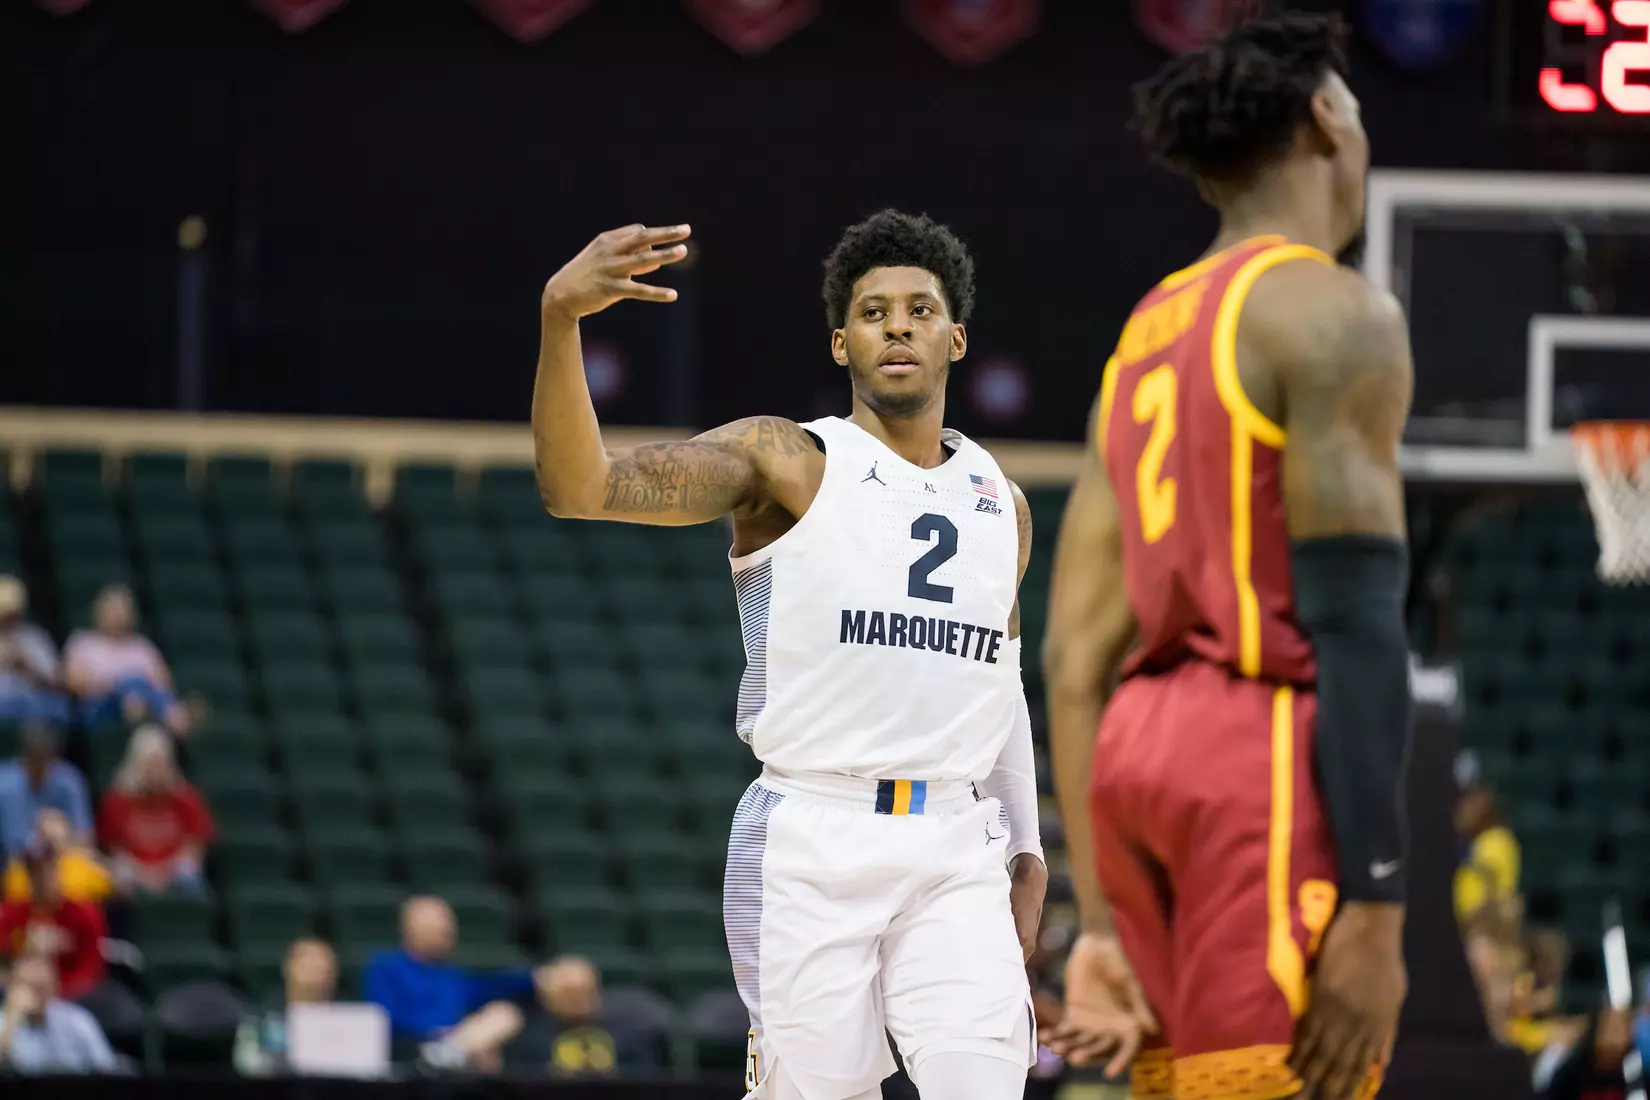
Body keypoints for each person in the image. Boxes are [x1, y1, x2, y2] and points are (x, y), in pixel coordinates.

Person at [531, 209, 1044, 1100]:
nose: (897, 326)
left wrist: (1028, 851)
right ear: (841, 343)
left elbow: (999, 691)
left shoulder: (1001, 501)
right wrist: (559, 318)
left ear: (955, 339)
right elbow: (582, 489)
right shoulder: (787, 459)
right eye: (873, 311)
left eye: (919, 310)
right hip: (813, 834)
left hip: (957, 845)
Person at [1040, 14, 1410, 1100]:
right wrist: (1379, 904)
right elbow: (1354, 616)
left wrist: (1100, 919)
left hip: (1135, 759)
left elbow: (1071, 656)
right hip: (1257, 756)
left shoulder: (1143, 333)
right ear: (1327, 115)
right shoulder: (1333, 312)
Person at [363, 896, 535, 1073]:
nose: (447, 929)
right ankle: (447, 1055)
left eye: (448, 924)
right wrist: (438, 1032)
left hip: (456, 1045)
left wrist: (538, 977)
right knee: (480, 1053)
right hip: (411, 1047)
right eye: (436, 924)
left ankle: (449, 1054)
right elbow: (384, 1018)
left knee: (505, 1013)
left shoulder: (452, 974)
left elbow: (493, 987)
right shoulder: (385, 967)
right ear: (409, 928)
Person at [97, 725, 213, 894]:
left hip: (172, 869)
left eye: (160, 764)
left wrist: (165, 871)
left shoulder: (185, 796)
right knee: (120, 874)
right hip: (135, 869)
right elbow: (114, 847)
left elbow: (195, 845)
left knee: (188, 873)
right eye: (149, 765)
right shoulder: (119, 799)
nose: (155, 772)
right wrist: (144, 873)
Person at [62, 585, 190, 736]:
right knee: (131, 683)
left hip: (144, 704)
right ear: (98, 611)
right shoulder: (82, 642)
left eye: (123, 608)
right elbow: (73, 683)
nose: (118, 614)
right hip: (99, 708)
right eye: (113, 608)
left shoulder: (142, 646)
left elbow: (162, 684)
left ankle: (161, 713)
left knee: (140, 689)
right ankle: (168, 716)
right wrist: (116, 685)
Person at [508, 955, 659, 1076]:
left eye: (585, 991)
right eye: (568, 993)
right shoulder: (529, 1036)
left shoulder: (628, 1031)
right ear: (547, 998)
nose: (578, 1000)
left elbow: (645, 1082)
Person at [0, 841, 109, 1001]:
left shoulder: (84, 913)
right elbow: (3, 964)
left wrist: (57, 990)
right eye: (36, 872)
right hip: (22, 994)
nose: (43, 879)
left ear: (59, 870)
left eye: (49, 870)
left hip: (74, 996)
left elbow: (91, 970)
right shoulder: (13, 914)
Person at [234, 937, 338, 1076]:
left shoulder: (353, 1019)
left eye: (325, 963)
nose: (319, 967)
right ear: (288, 967)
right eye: (309, 961)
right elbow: (247, 1064)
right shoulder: (262, 1016)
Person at [0, 952, 117, 1075]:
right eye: (29, 987)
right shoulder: (5, 1022)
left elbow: (106, 1069)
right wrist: (12, 1019)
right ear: (13, 987)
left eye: (41, 988)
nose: (36, 997)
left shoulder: (77, 1020)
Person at [0, 723, 94, 857]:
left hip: (65, 861)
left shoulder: (69, 780)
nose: (40, 768)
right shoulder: (5, 785)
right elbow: (12, 847)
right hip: (18, 867)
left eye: (45, 759)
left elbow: (85, 840)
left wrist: (60, 836)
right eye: (34, 760)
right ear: (23, 757)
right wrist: (42, 837)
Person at [3, 807, 113, 907]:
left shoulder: (81, 864)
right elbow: (13, 899)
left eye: (55, 836)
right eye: (44, 835)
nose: (51, 839)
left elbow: (107, 887)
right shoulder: (20, 868)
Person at [0, 577, 69, 725]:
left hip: (31, 705)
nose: (9, 616)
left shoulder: (33, 637)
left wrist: (25, 665)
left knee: (57, 708)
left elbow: (56, 681)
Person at [1454, 782, 1520, 926]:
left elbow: (1494, 877)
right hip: (1470, 924)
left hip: (1489, 923)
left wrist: (1467, 856)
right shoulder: (1477, 840)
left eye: (1472, 807)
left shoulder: (1496, 838)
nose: (1464, 812)